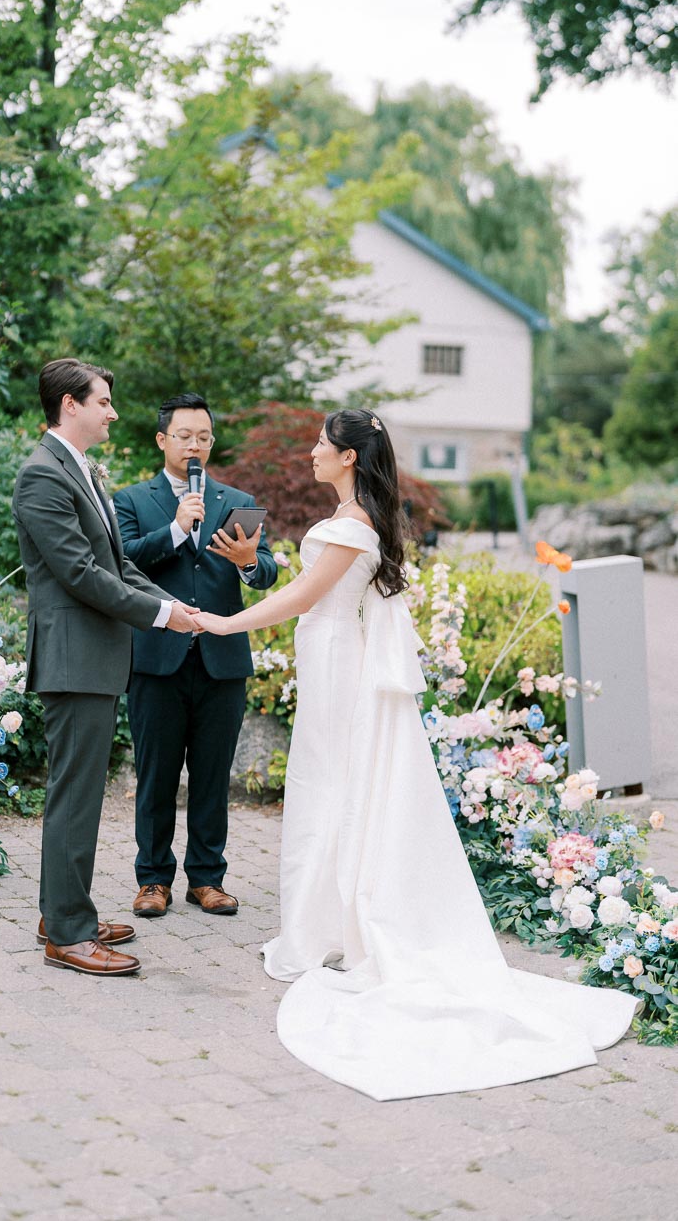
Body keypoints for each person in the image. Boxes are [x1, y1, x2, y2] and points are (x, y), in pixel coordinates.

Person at [194, 409, 638, 1100]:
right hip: (333, 652)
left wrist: (225, 622)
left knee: (332, 784)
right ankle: (324, 921)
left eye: (320, 443)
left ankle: (329, 925)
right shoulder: (359, 517)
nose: (311, 451)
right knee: (326, 783)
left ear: (347, 457)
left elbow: (304, 596)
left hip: (338, 657)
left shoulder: (350, 526)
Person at [12, 359, 200, 977]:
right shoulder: (43, 475)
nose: (113, 412)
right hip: (73, 659)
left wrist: (174, 605)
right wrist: (159, 617)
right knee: (74, 796)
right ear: (70, 405)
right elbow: (80, 575)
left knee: (83, 794)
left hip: (93, 658)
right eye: (103, 402)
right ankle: (68, 935)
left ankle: (66, 913)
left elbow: (117, 566)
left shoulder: (82, 469)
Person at [113, 394, 277, 919]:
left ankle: (207, 879)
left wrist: (251, 564)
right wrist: (178, 530)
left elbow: (267, 572)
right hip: (156, 658)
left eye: (204, 437)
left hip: (221, 659)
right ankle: (153, 879)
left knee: (212, 775)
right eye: (185, 436)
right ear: (162, 440)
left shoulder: (237, 499)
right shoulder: (132, 500)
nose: (195, 446)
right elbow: (122, 561)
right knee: (155, 774)